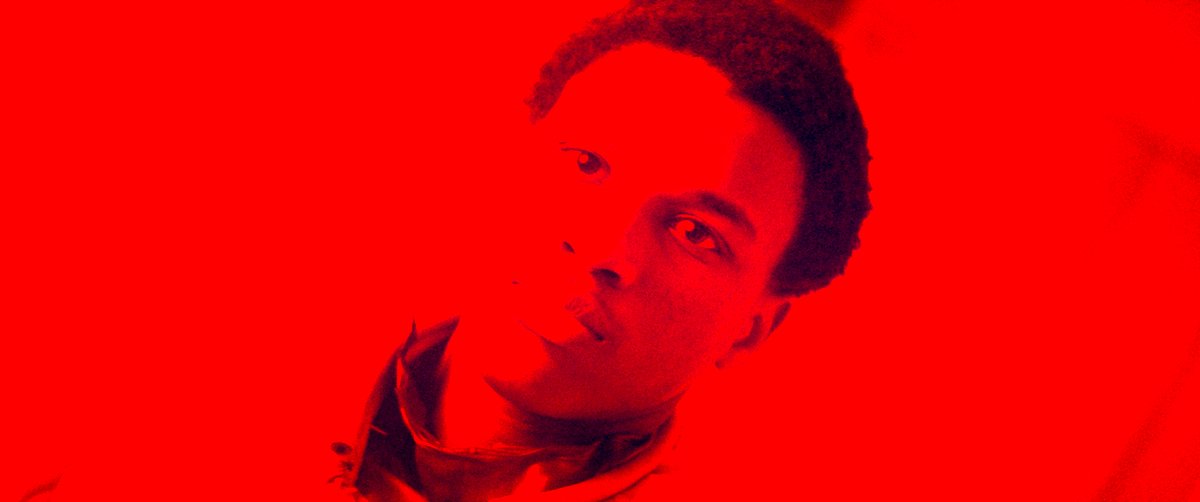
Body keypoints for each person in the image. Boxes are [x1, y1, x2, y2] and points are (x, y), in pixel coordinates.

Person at [329, 0, 870, 500]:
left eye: (694, 232)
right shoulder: (291, 365)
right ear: (508, 157)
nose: (599, 246)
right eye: (585, 164)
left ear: (751, 329)